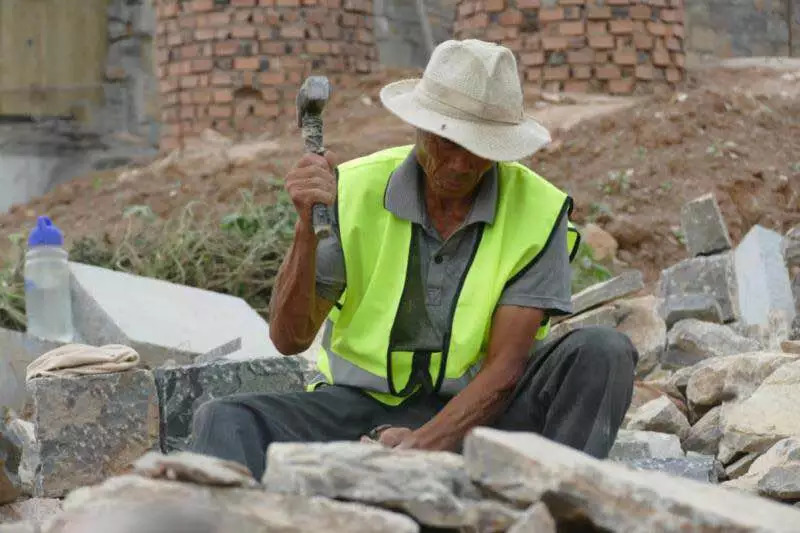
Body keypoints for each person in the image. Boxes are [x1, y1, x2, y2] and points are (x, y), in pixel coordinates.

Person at [191, 39, 638, 479]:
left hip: (479, 416)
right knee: (224, 419)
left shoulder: (538, 210)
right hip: (359, 410)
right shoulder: (354, 190)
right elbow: (289, 338)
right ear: (419, 127)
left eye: (481, 147)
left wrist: (423, 444)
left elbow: (505, 369)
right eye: (448, 142)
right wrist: (307, 228)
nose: (462, 164)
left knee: (602, 351)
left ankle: (558, 505)